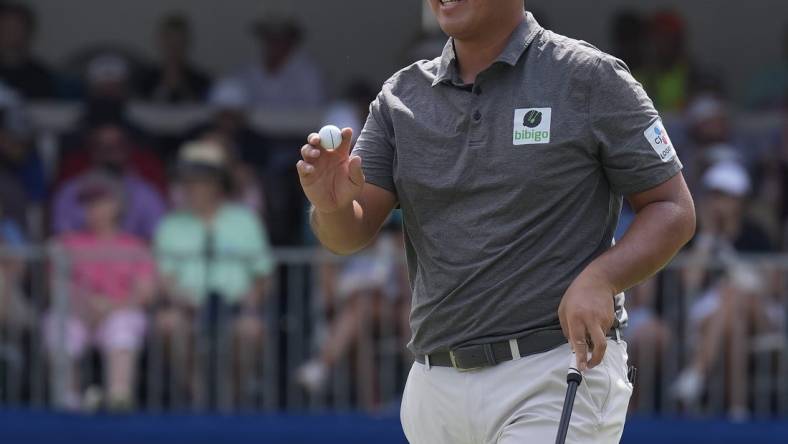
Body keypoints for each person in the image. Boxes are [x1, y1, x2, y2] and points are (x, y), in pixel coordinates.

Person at [296, 2, 695, 443]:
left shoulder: (589, 76)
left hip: (551, 370)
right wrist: (331, 207)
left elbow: (672, 207)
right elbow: (349, 234)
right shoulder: (400, 97)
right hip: (434, 385)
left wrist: (602, 278)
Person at [153, 140, 275, 407]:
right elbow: (164, 278)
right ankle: (199, 399)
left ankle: (232, 399)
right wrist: (182, 300)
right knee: (169, 324)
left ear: (218, 183)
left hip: (236, 309)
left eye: (197, 180)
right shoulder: (170, 224)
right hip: (187, 309)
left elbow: (263, 274)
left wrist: (248, 302)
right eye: (185, 181)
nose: (188, 187)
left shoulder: (245, 220)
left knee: (250, 330)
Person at [675, 161, 781, 420]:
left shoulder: (757, 235)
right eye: (714, 194)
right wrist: (709, 235)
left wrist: (745, 284)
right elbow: (690, 281)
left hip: (761, 311)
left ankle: (697, 372)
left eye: (725, 196)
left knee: (733, 292)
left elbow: (776, 285)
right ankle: (737, 411)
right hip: (712, 316)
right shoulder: (695, 234)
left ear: (739, 200)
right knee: (735, 325)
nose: (718, 202)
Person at [44, 173, 156, 410]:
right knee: (59, 325)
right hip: (77, 311)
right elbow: (56, 285)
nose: (93, 209)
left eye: (100, 202)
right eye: (88, 203)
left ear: (117, 205)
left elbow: (145, 291)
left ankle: (118, 396)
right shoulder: (67, 242)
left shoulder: (135, 246)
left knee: (124, 326)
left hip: (120, 309)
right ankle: (68, 400)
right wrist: (86, 305)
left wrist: (110, 307)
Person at [296, 219, 410, 409]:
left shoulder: (394, 244)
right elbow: (330, 295)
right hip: (350, 314)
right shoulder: (333, 249)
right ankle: (373, 406)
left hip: (389, 311)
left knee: (361, 306)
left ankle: (322, 365)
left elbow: (406, 287)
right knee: (359, 335)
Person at [52, 122, 167, 241]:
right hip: (83, 257)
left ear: (128, 147)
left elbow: (158, 238)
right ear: (91, 150)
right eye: (102, 145)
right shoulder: (70, 191)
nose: (110, 151)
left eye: (117, 144)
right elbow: (62, 239)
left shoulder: (146, 193)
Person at [223, 16, 325, 109]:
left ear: (292, 40)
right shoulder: (247, 70)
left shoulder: (309, 72)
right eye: (270, 37)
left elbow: (315, 110)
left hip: (299, 129)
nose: (275, 43)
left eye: (281, 38)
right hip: (252, 129)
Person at [141, 13, 211, 103]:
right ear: (161, 42)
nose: (174, 47)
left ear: (186, 43)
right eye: (169, 41)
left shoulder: (202, 81)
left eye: (179, 42)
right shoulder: (144, 79)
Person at [0, 2, 55, 98]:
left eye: (15, 28)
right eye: (5, 28)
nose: (10, 34)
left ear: (28, 32)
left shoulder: (40, 76)